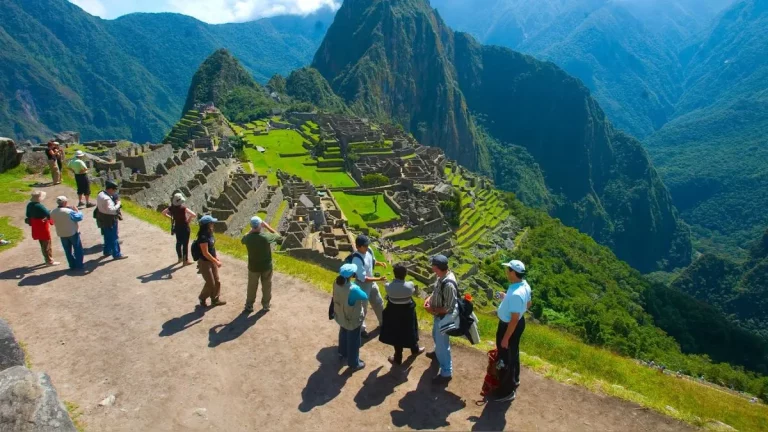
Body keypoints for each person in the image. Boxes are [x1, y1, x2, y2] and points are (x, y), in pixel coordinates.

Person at [493, 259, 532, 402]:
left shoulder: (516, 293)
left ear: (513, 272)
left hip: (509, 326)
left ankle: (506, 391)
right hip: (517, 323)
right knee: (513, 354)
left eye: (508, 269)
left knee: (505, 357)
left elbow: (514, 319)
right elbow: (528, 303)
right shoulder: (523, 285)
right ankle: (514, 380)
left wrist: (505, 338)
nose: (506, 271)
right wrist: (506, 299)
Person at [379, 263, 425, 365]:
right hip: (407, 313)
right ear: (406, 274)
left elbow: (387, 289)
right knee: (411, 330)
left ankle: (398, 357)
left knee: (397, 335)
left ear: (394, 274)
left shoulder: (388, 287)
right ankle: (415, 350)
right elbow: (412, 292)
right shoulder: (410, 285)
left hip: (394, 313)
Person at [424, 254, 458, 385]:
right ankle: (437, 353)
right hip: (438, 316)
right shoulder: (441, 277)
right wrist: (429, 299)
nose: (431, 267)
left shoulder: (448, 284)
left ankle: (446, 373)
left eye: (433, 265)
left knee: (443, 346)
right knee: (435, 336)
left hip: (443, 318)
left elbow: (449, 308)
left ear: (437, 268)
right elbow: (437, 292)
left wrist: (432, 309)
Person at [241, 216, 282, 313]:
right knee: (266, 286)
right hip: (266, 266)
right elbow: (278, 237)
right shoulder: (266, 237)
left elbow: (243, 239)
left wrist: (252, 230)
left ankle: (249, 305)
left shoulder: (247, 238)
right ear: (260, 225)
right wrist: (267, 226)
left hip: (253, 267)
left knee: (251, 287)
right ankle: (266, 305)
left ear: (251, 226)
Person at [333, 263, 368, 371]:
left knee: (343, 333)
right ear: (352, 275)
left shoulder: (336, 282)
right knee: (354, 340)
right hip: (351, 318)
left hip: (340, 314)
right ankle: (354, 363)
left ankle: (342, 353)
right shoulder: (354, 289)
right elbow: (365, 296)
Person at [351, 234, 387, 338]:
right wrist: (379, 279)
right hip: (362, 285)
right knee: (362, 308)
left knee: (379, 302)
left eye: (367, 245)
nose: (367, 247)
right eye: (365, 246)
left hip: (371, 283)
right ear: (358, 247)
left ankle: (383, 323)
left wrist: (380, 263)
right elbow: (363, 278)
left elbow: (372, 261)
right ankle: (362, 329)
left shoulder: (369, 250)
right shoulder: (356, 259)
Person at [197, 215, 226, 308]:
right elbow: (205, 253)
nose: (213, 224)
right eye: (212, 222)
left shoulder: (210, 233)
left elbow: (212, 248)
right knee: (210, 283)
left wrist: (216, 257)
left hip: (211, 260)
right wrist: (216, 261)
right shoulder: (203, 237)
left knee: (217, 281)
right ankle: (202, 297)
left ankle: (215, 299)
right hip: (205, 262)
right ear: (207, 224)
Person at [50, 196, 85, 271]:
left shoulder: (53, 212)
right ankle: (79, 265)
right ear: (65, 202)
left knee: (67, 250)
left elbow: (52, 222)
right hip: (72, 232)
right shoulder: (69, 212)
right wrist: (77, 210)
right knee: (78, 249)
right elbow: (79, 217)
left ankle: (72, 265)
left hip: (61, 233)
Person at [26, 191, 58, 266]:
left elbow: (28, 214)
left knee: (42, 242)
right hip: (42, 225)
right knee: (47, 242)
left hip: (35, 225)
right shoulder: (39, 206)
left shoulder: (30, 205)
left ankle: (47, 258)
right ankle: (49, 260)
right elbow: (48, 214)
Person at [161, 193, 196, 265]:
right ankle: (185, 260)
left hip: (177, 227)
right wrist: (189, 219)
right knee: (185, 244)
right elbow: (194, 215)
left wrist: (171, 217)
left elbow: (163, 213)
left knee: (178, 243)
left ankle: (179, 258)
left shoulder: (171, 207)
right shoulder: (183, 208)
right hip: (185, 227)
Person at [96, 181, 126, 260]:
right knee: (114, 236)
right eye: (114, 190)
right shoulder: (107, 198)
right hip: (110, 218)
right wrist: (118, 204)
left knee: (107, 235)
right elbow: (111, 210)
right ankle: (116, 254)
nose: (114, 192)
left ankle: (107, 251)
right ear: (111, 189)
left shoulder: (100, 194)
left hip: (102, 217)